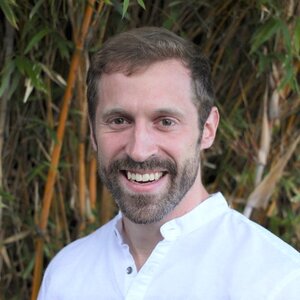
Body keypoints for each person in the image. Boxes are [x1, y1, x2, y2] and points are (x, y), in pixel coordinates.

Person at [38, 27, 300, 300]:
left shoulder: (277, 281)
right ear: (92, 133)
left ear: (207, 129)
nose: (139, 151)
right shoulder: (65, 275)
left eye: (165, 122)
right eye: (119, 121)